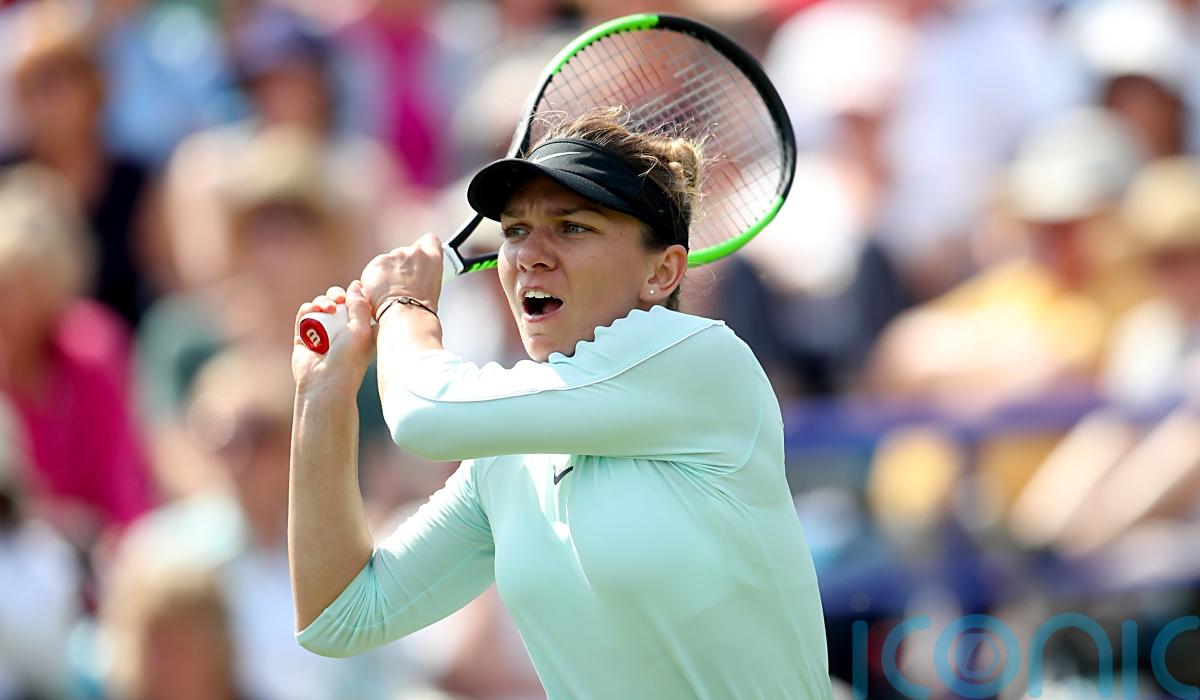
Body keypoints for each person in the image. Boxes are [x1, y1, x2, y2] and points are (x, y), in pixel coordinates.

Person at [289, 110, 834, 698]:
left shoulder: (703, 361)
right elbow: (340, 617)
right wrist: (323, 394)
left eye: (572, 227)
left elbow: (423, 413)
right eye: (515, 230)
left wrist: (404, 304)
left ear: (663, 271)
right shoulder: (506, 458)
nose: (531, 254)